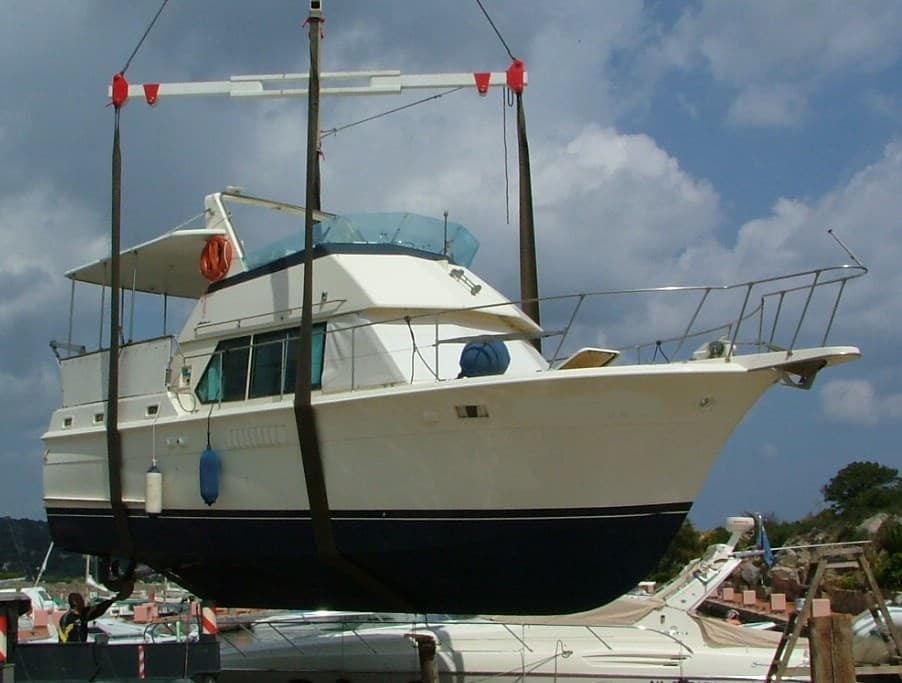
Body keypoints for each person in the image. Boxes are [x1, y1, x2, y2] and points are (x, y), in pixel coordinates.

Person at [58, 581, 133, 643]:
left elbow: (98, 608)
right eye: (80, 600)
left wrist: (113, 600)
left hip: (82, 650)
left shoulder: (83, 614)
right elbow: (63, 637)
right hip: (69, 651)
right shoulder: (67, 618)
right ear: (75, 602)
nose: (83, 602)